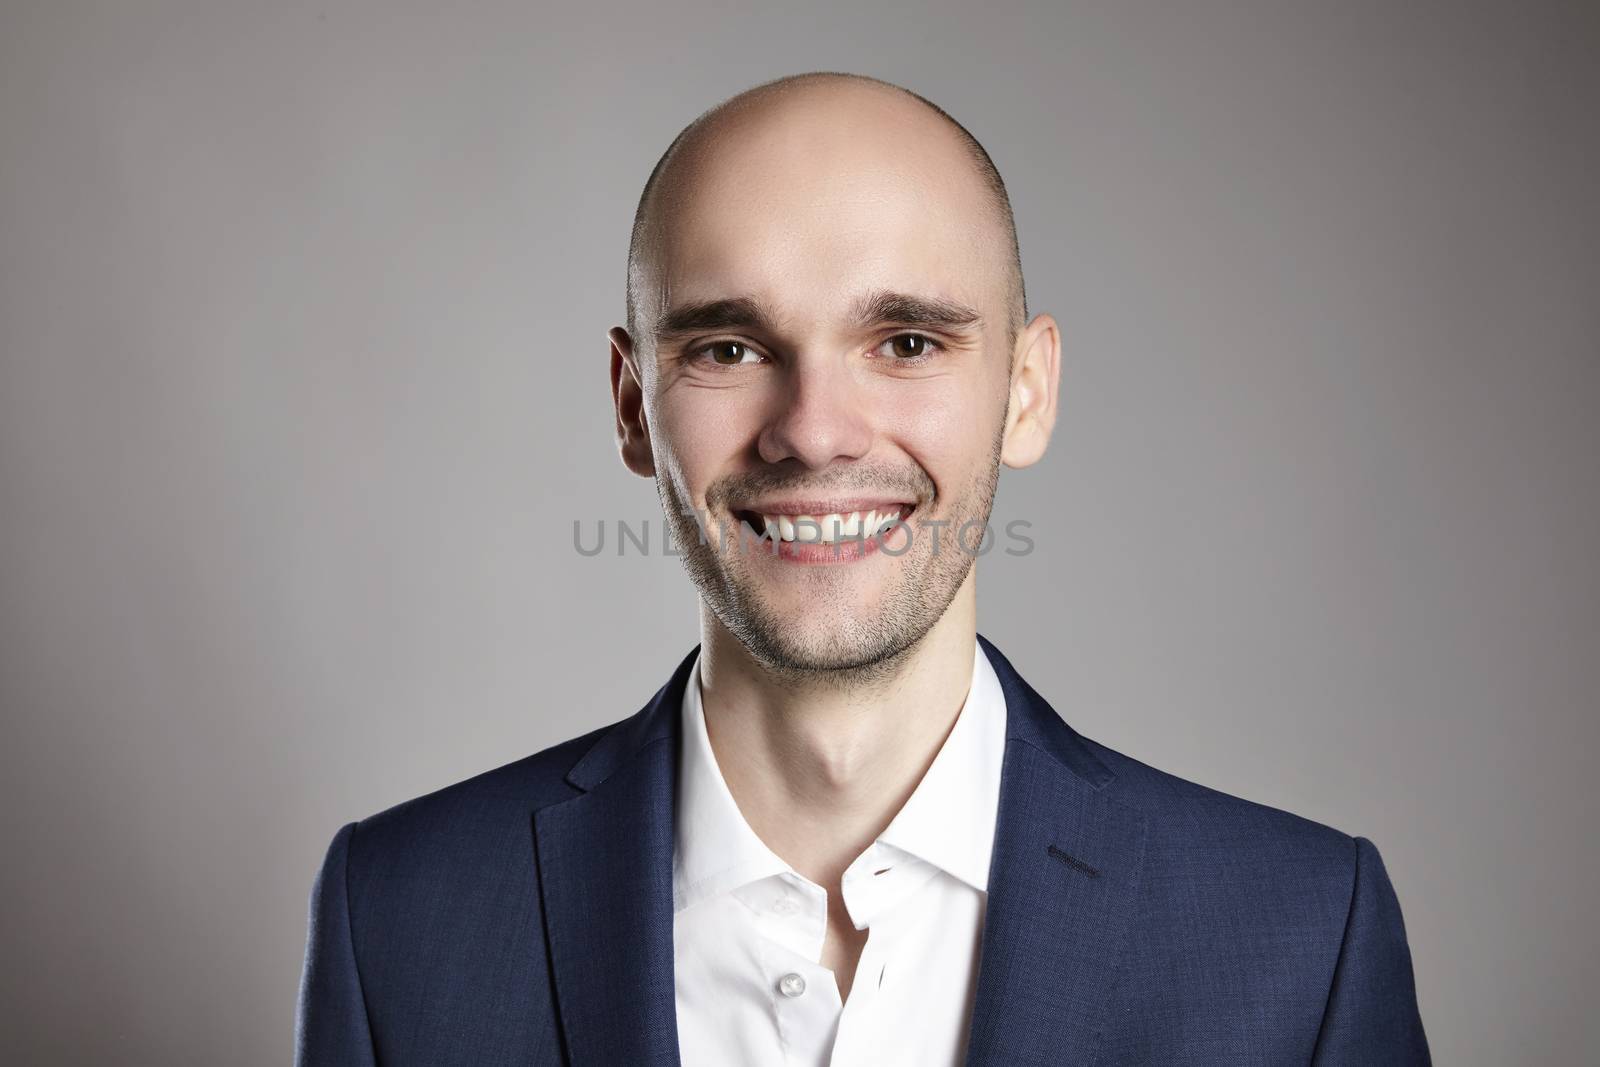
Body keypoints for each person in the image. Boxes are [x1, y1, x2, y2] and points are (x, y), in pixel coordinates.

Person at [296, 71, 1431, 1066]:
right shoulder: (397, 919)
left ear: (1027, 390)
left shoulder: (1299, 937)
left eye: (906, 343)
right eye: (729, 348)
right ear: (633, 403)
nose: (816, 430)